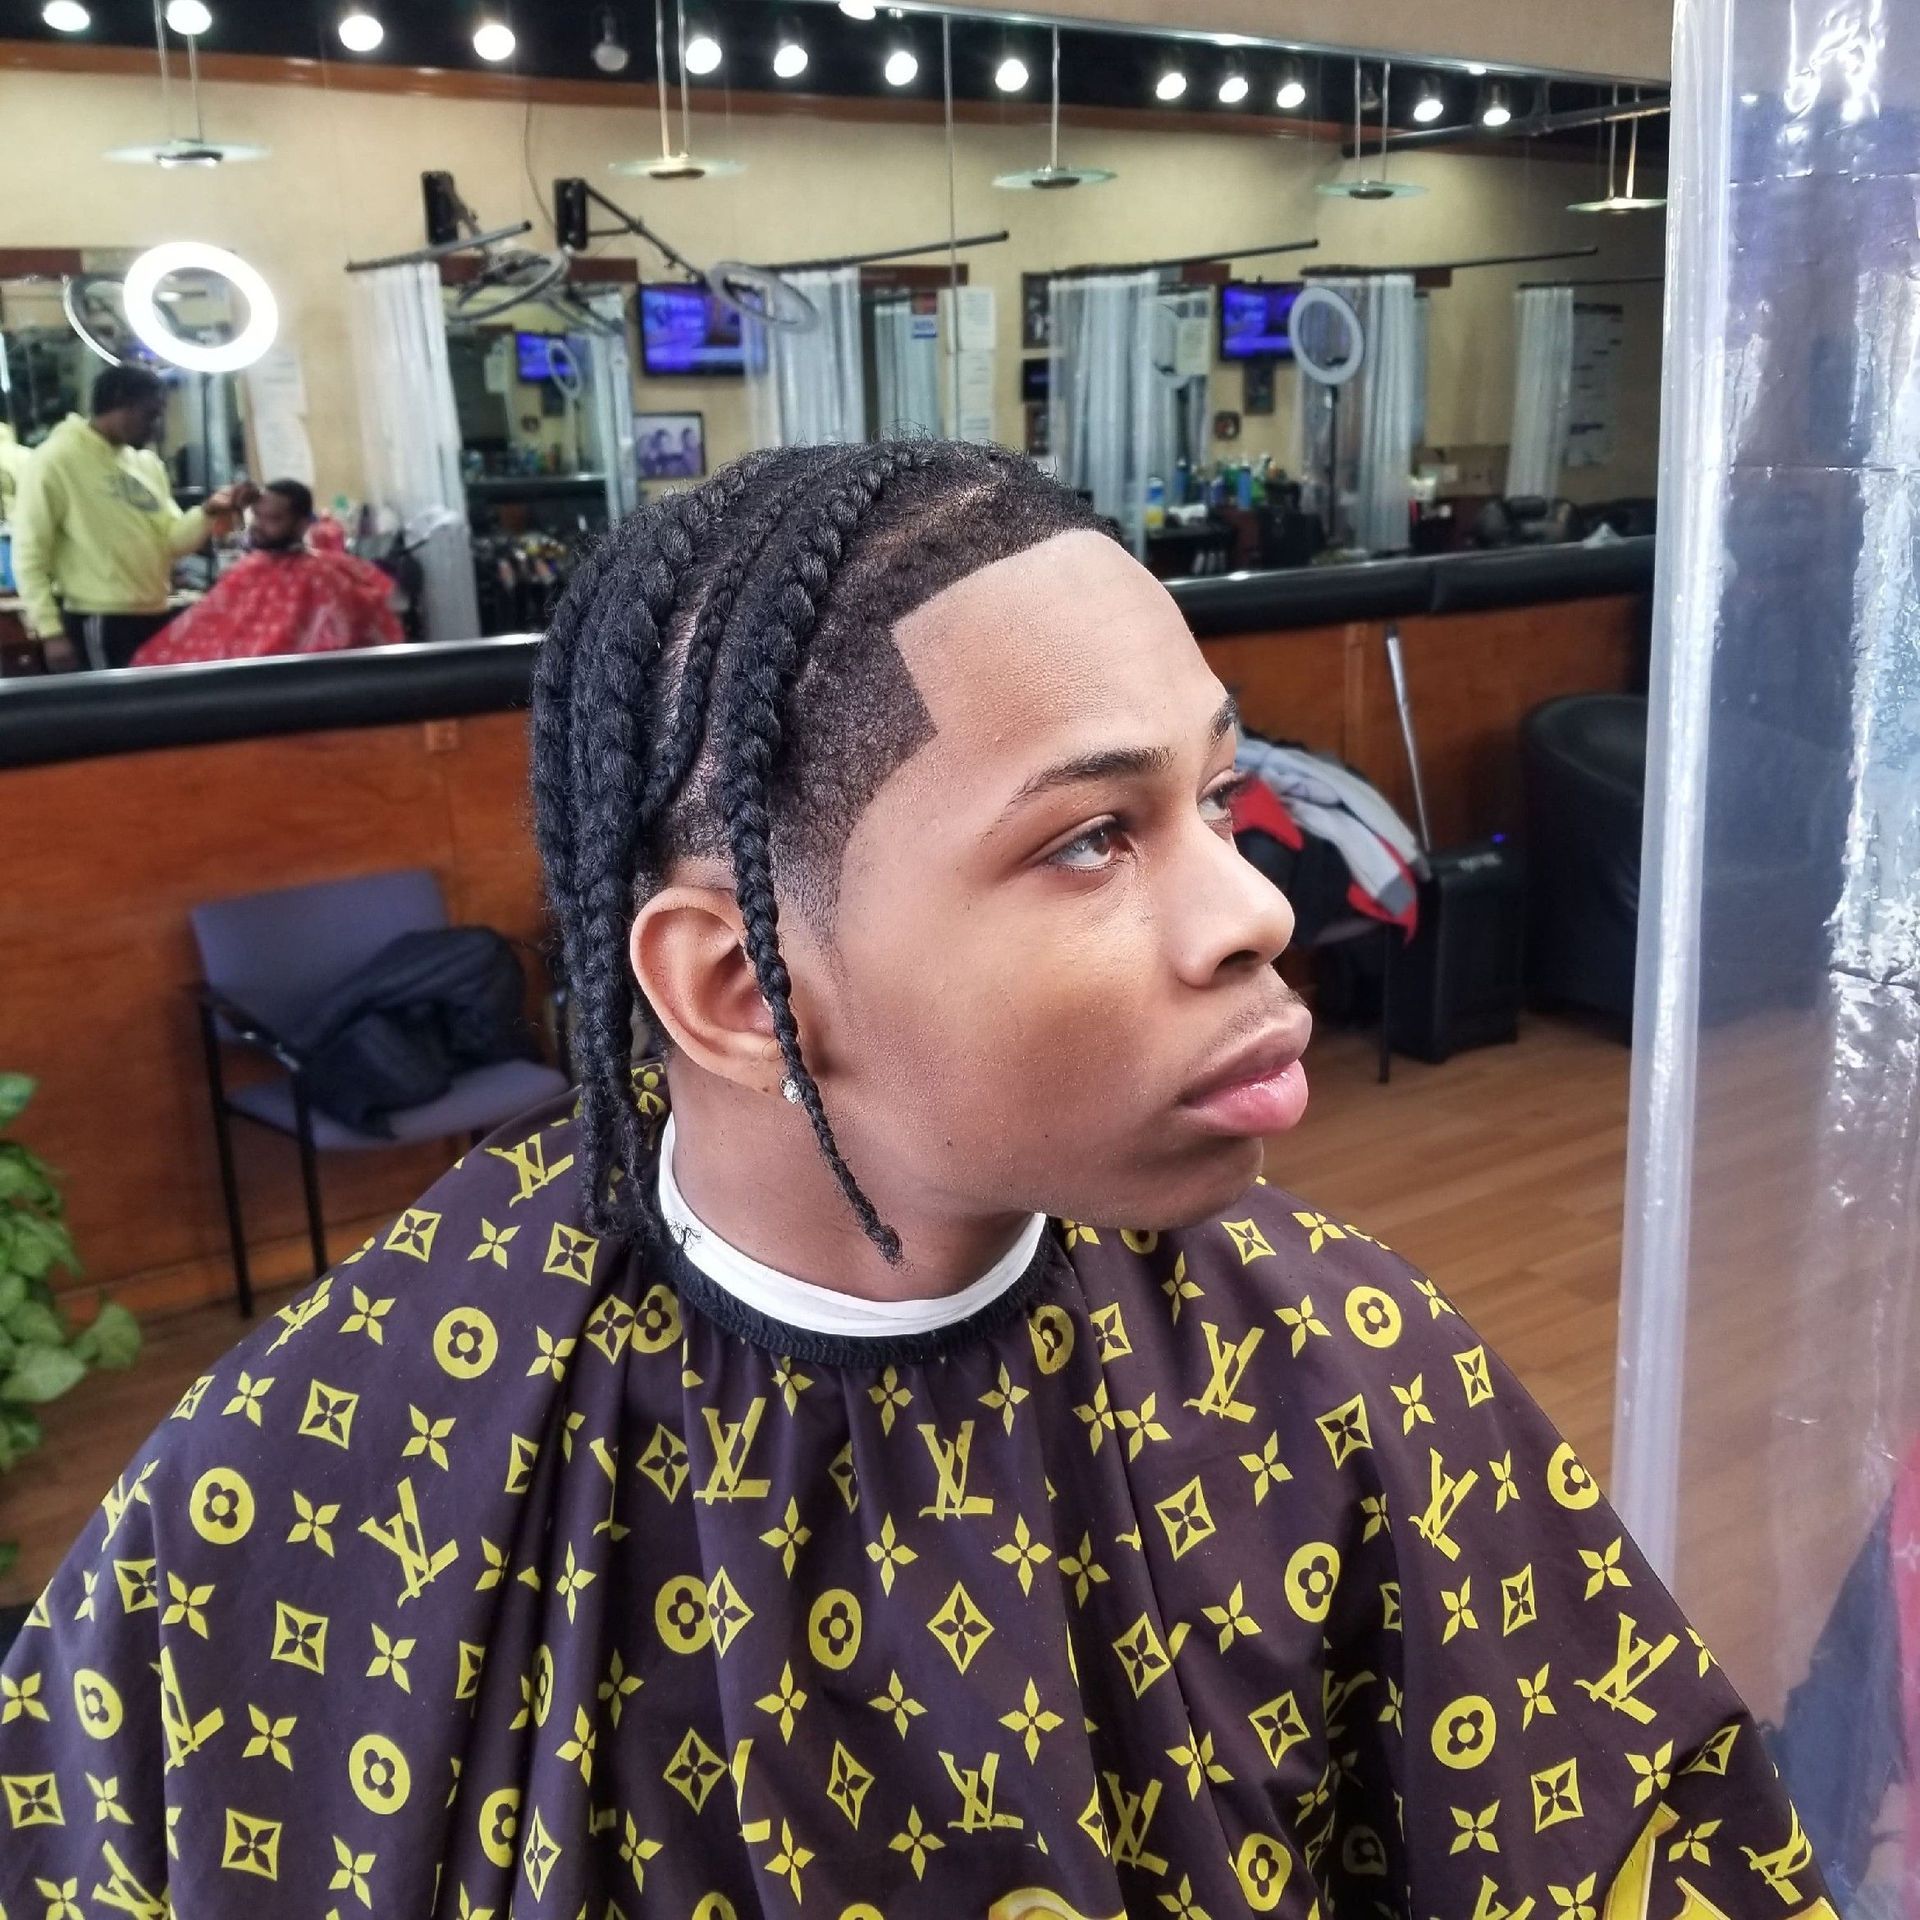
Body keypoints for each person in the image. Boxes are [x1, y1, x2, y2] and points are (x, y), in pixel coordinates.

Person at [0, 442, 1831, 1918]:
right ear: (738, 987)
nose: (1264, 907)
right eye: (1094, 837)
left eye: (1221, 789)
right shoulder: (312, 1472)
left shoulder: (1352, 1380)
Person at [9, 362, 254, 670]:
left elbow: (171, 542)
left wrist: (209, 512)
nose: (156, 426)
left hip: (154, 611)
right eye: (150, 414)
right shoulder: (55, 460)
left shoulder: (146, 464)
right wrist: (50, 631)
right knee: (113, 714)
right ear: (119, 403)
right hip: (100, 619)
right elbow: (29, 554)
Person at [130, 478, 403, 666]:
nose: (259, 526)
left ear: (301, 524)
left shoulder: (328, 576)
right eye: (257, 516)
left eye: (273, 519)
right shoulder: (246, 570)